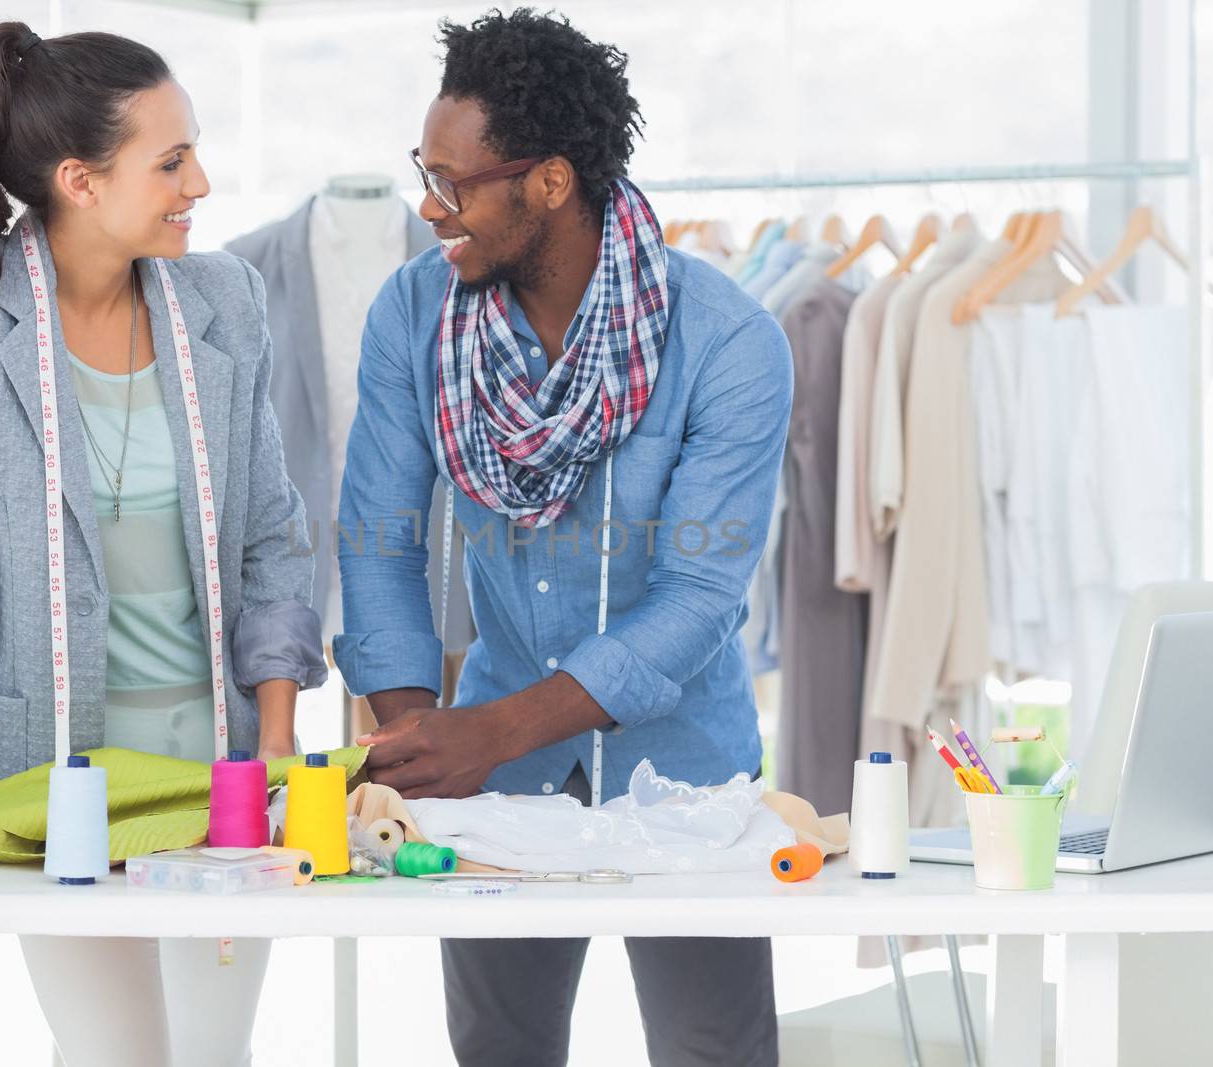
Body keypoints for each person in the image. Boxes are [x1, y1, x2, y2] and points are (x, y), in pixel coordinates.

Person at [336, 10, 792, 1066]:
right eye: (424, 170)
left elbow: (696, 600)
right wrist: (417, 747)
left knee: (712, 1051)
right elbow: (377, 534)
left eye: (454, 181)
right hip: (491, 796)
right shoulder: (413, 314)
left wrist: (489, 731)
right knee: (497, 1050)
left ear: (547, 182)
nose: (427, 204)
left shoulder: (727, 342)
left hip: (685, 784)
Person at [0, 22, 325, 1066]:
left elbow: (270, 531)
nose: (200, 183)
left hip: (214, 783)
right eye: (171, 162)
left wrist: (275, 739)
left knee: (217, 1055)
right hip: (53, 789)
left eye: (195, 150)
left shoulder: (221, 299)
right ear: (78, 179)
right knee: (115, 1056)